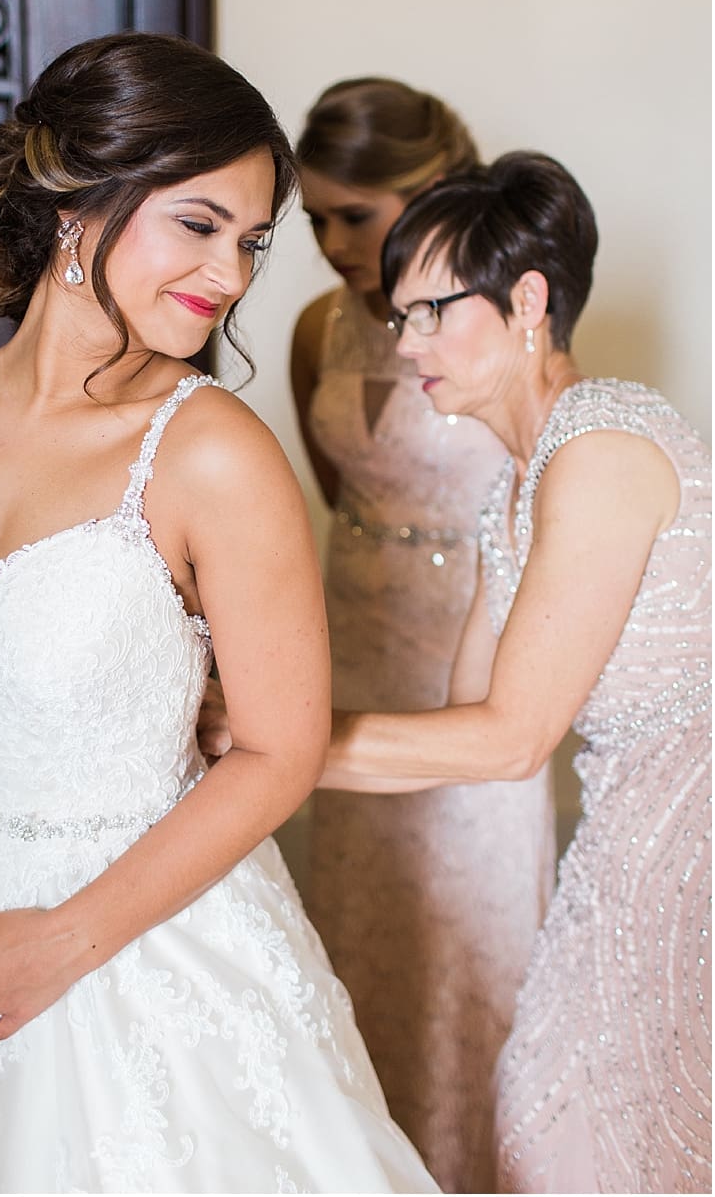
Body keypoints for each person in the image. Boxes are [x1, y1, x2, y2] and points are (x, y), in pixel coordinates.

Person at [0, 33, 436, 1193]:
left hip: (146, 947)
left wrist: (69, 937)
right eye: (200, 224)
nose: (230, 276)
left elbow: (281, 750)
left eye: (252, 241)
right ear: (78, 197)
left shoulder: (213, 453)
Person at [206, 152, 710, 1193]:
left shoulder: (605, 447)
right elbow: (463, 723)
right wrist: (252, 740)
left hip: (686, 864)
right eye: (400, 317)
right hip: (623, 856)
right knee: (548, 1124)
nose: (407, 344)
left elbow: (511, 738)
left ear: (528, 299)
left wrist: (262, 738)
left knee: (568, 1133)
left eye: (433, 312)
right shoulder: (517, 487)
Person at [290, 80, 555, 1192]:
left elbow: (549, 487)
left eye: (358, 214)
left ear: (432, 190)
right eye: (313, 219)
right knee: (349, 924)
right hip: (350, 637)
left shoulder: (504, 325)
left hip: (477, 658)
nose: (332, 244)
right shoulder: (316, 328)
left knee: (468, 936)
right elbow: (337, 490)